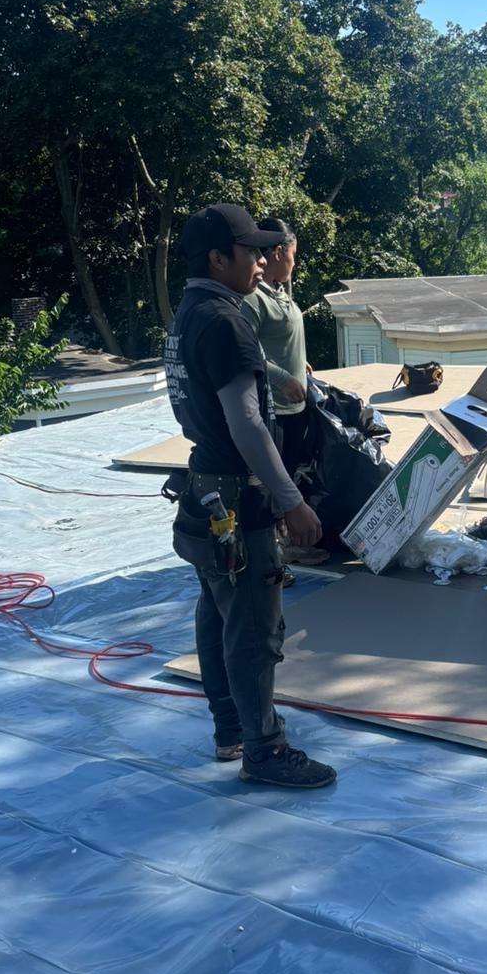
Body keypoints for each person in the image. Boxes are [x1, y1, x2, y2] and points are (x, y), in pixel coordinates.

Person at [164, 203, 336, 790]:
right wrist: (290, 500)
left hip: (205, 488)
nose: (262, 262)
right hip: (238, 494)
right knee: (256, 627)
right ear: (217, 258)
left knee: (217, 611)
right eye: (250, 253)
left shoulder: (188, 314)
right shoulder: (227, 323)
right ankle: (264, 749)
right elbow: (248, 424)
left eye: (266, 250)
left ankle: (230, 729)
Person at [240, 218, 313, 483]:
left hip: (296, 409)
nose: (294, 263)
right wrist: (282, 378)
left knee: (295, 478)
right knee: (276, 487)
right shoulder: (253, 298)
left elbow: (277, 340)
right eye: (293, 255)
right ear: (278, 253)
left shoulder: (278, 292)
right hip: (275, 415)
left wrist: (299, 361)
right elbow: (244, 351)